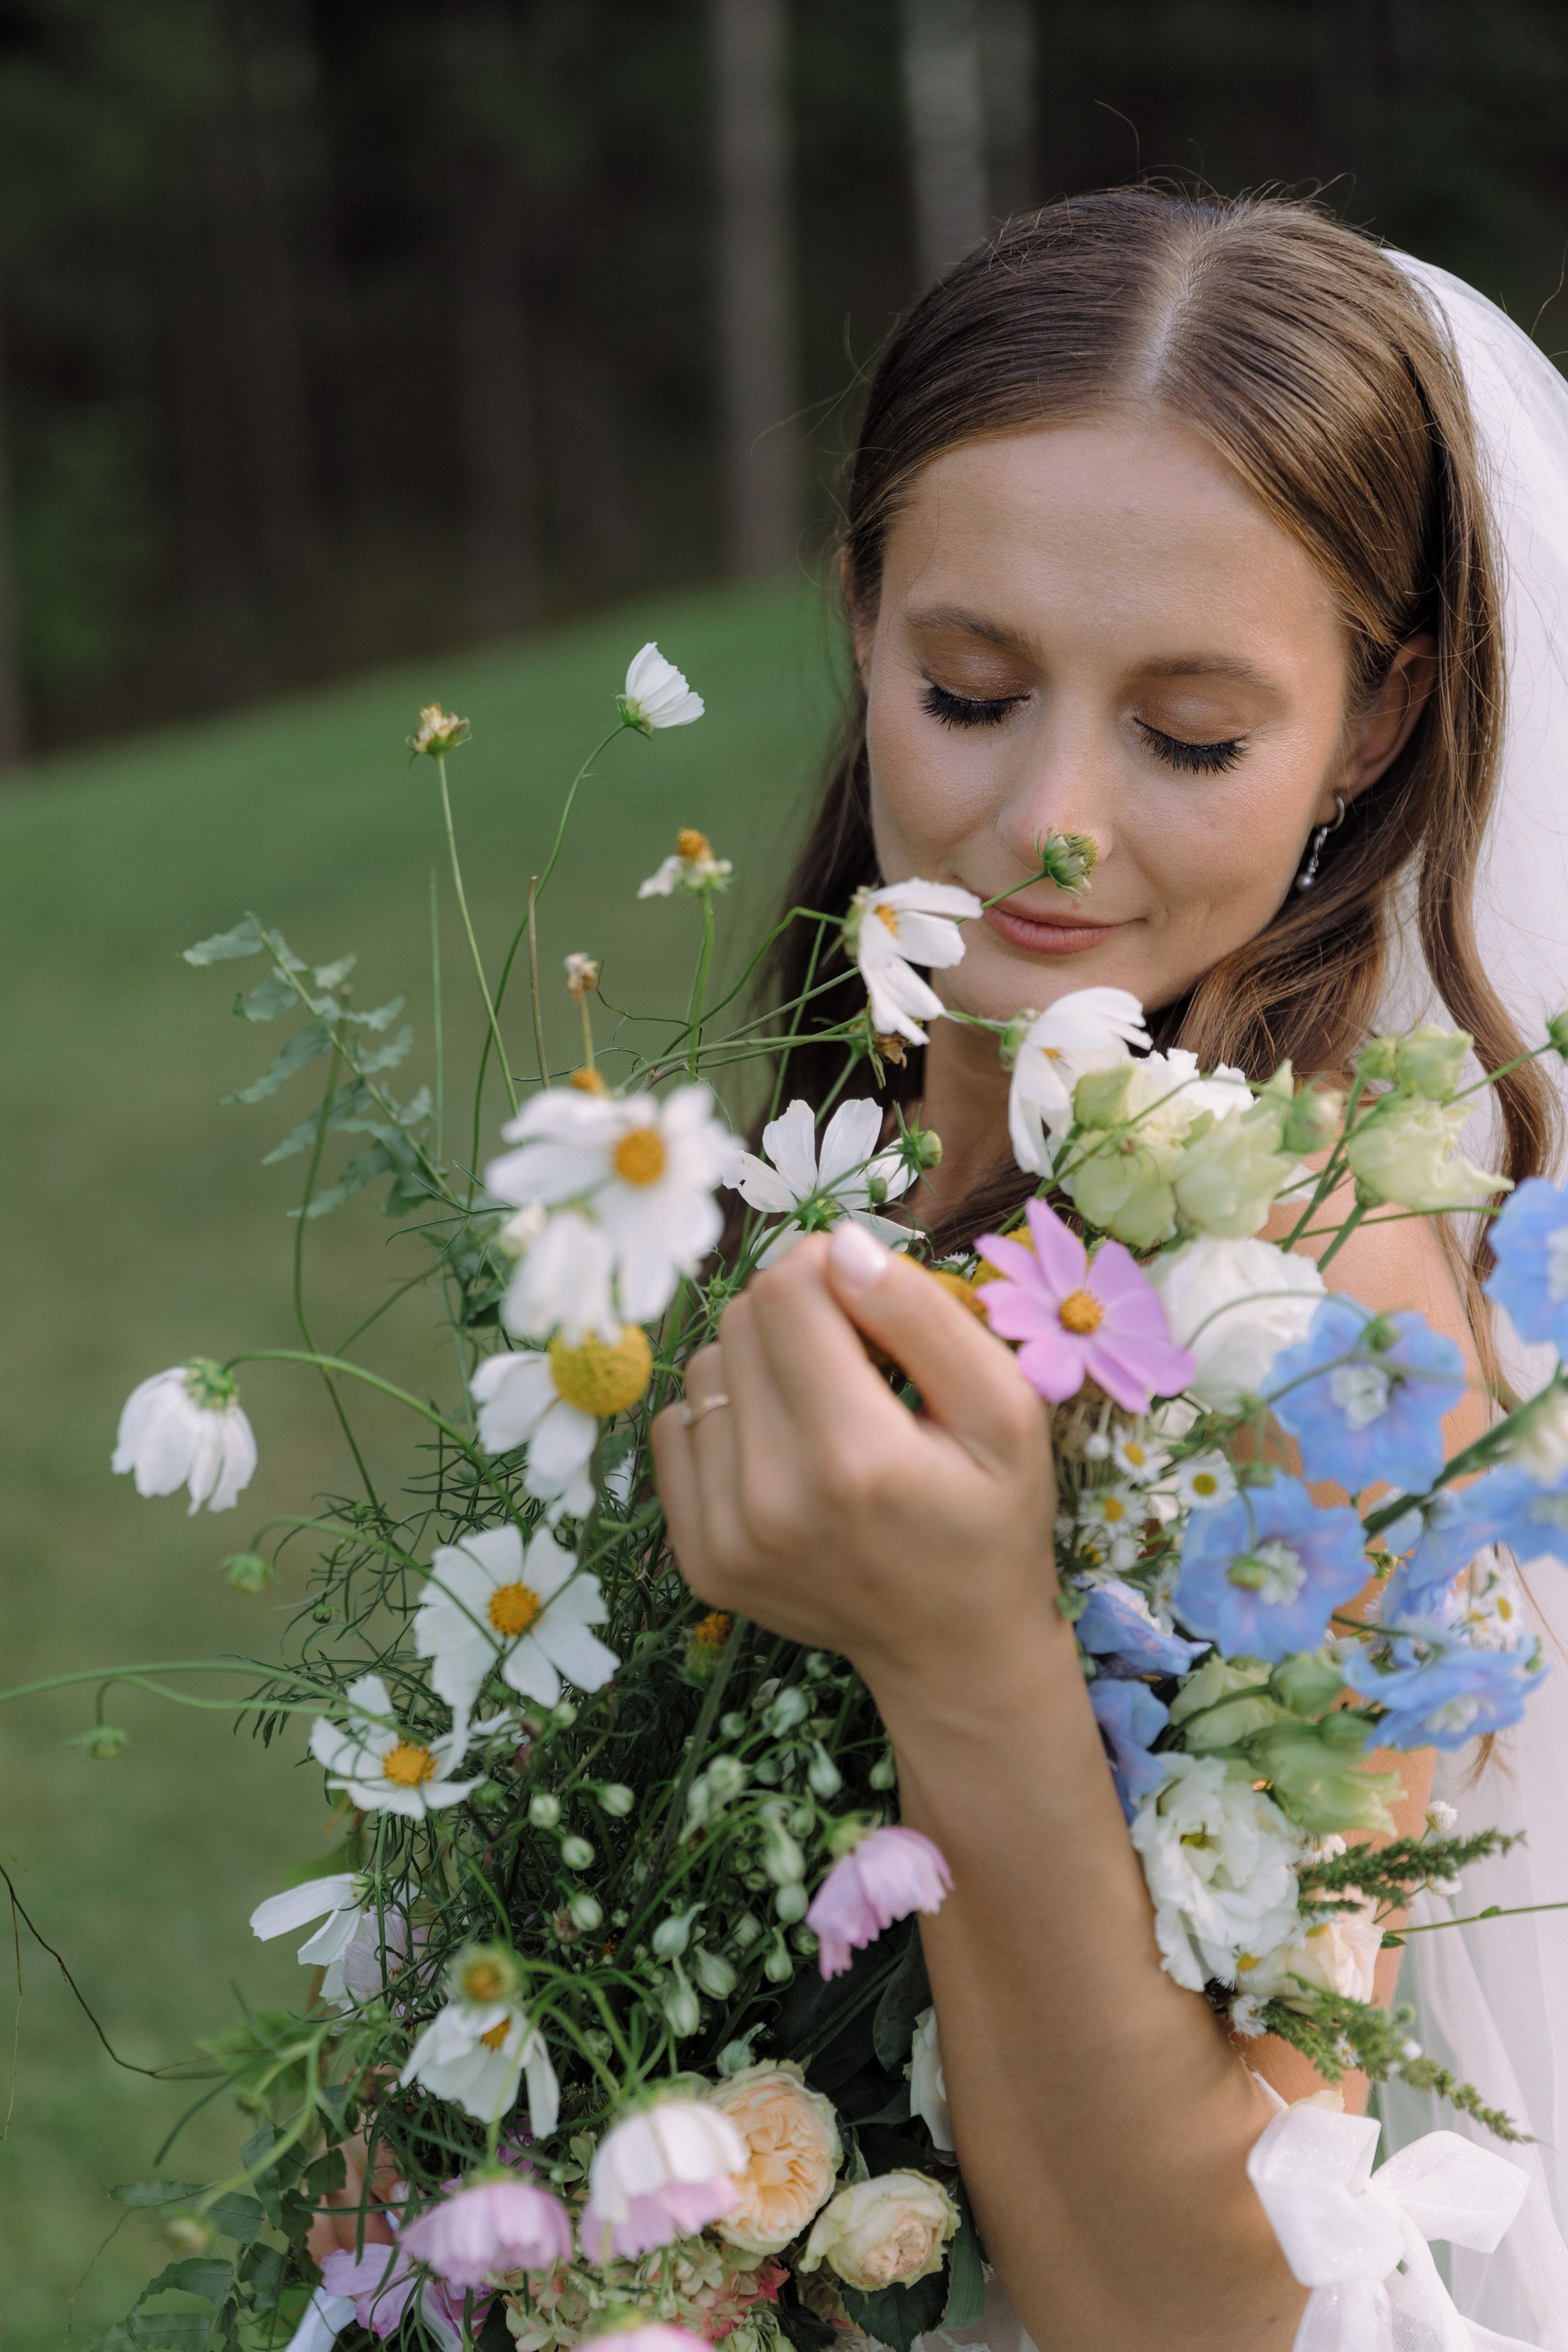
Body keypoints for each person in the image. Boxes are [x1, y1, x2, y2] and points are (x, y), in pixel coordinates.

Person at [652, 191, 1568, 2350]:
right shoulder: (817, 1180)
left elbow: (1205, 2311)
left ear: (1370, 723)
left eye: (1186, 736)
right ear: (863, 614)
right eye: (971, 691)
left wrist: (964, 1651)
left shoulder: (1331, 1343)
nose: (1049, 824)